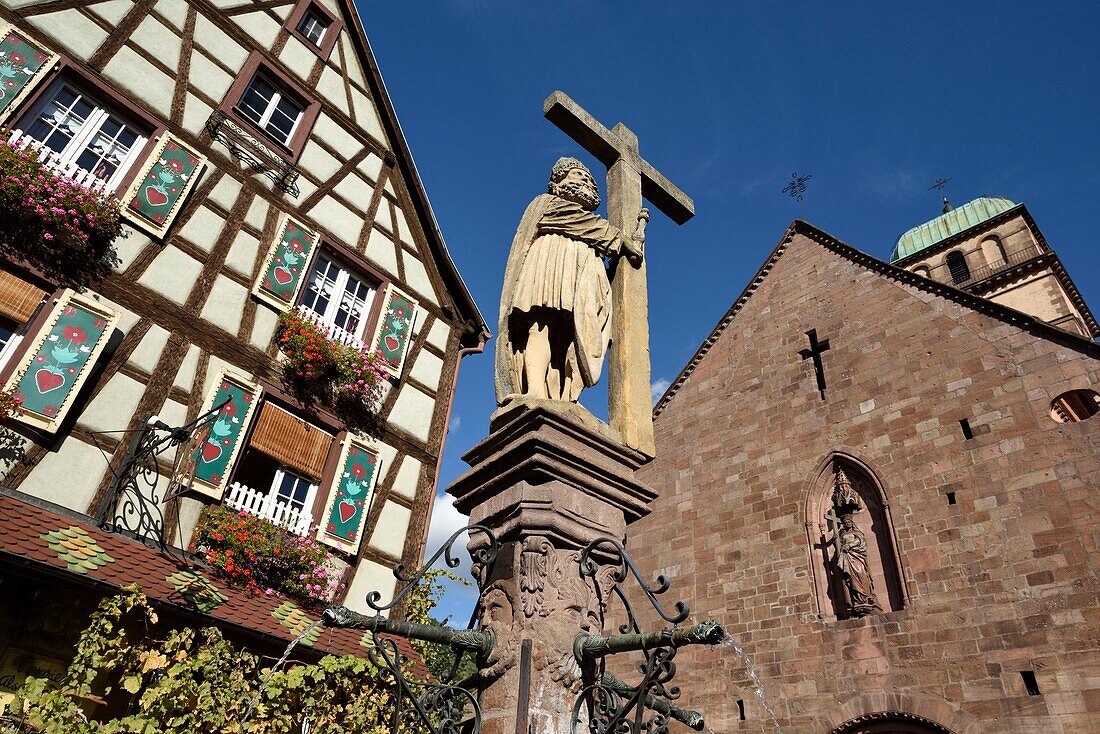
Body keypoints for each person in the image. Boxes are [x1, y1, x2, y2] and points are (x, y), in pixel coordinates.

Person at [496, 158, 644, 404]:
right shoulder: (546, 204)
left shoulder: (593, 228)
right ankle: (534, 391)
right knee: (540, 325)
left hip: (582, 272)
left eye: (588, 179)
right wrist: (619, 239)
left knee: (572, 337)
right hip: (551, 261)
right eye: (578, 175)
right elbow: (574, 219)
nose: (585, 180)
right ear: (558, 182)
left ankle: (565, 398)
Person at [836, 514, 882, 617]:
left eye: (848, 522)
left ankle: (866, 597)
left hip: (857, 557)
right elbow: (840, 544)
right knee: (851, 579)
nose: (847, 524)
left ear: (852, 523)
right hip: (847, 558)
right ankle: (857, 599)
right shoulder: (842, 534)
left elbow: (861, 542)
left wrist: (850, 545)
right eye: (845, 523)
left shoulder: (857, 533)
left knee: (861, 575)